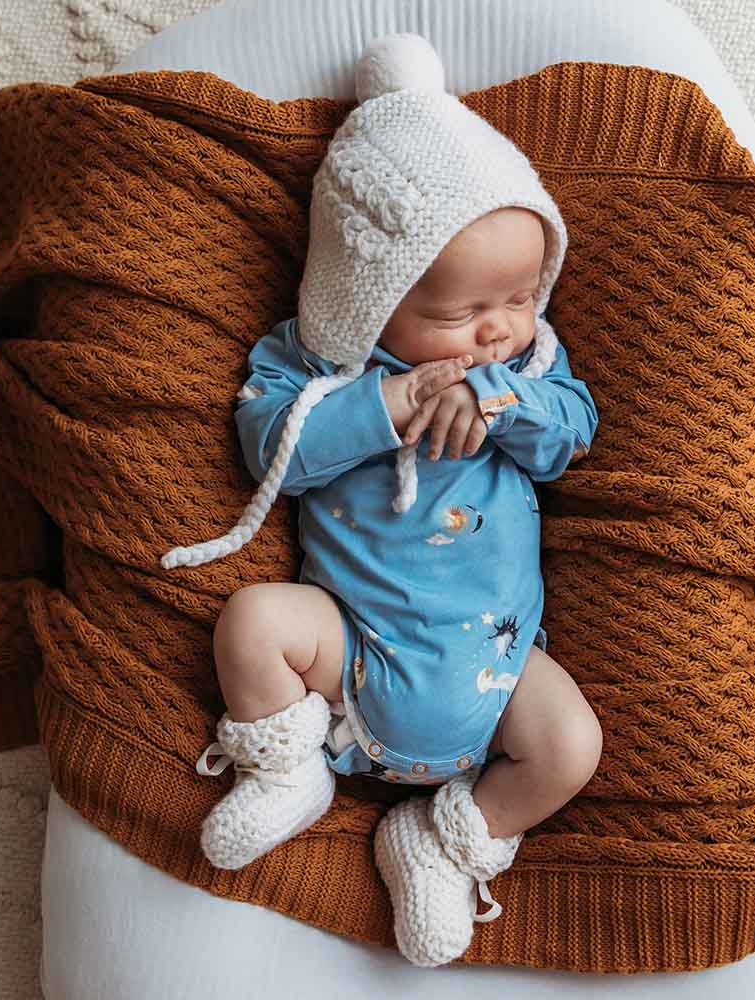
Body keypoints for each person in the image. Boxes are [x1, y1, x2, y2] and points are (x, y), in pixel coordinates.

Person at [161, 32, 602, 967]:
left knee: (570, 746)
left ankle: (444, 842)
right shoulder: (316, 367)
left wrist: (502, 397)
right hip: (348, 650)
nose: (496, 329)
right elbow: (267, 450)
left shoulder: (526, 365)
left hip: (493, 666)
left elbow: (571, 436)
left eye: (521, 296)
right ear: (368, 297)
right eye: (458, 314)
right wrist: (385, 403)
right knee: (251, 622)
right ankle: (286, 770)